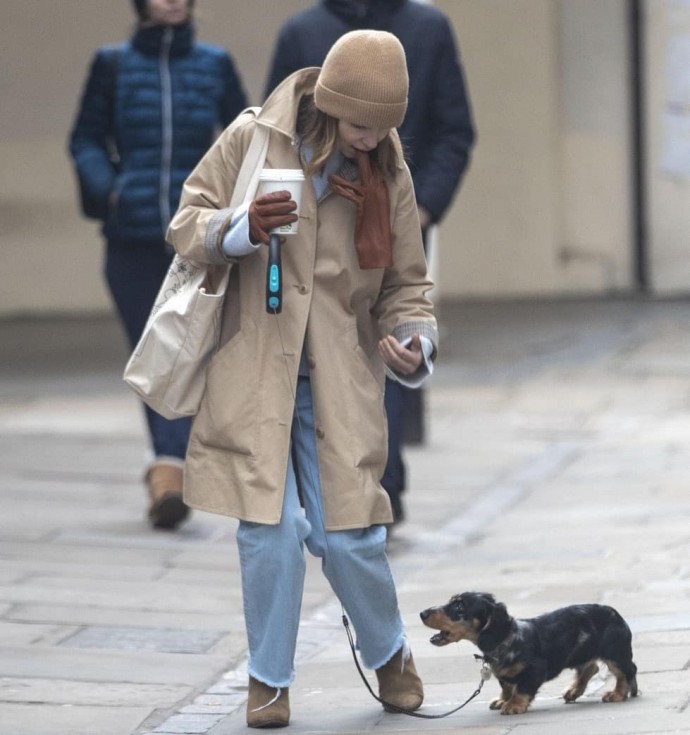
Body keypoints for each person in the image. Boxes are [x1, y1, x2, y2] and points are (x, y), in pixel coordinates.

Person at [167, 29, 438, 728]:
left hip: (339, 378)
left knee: (351, 535)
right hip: (255, 373)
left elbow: (408, 285)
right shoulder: (253, 138)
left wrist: (415, 342)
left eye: (383, 128)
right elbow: (186, 222)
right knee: (271, 531)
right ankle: (268, 679)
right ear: (329, 102)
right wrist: (242, 227)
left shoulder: (389, 170)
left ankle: (390, 652)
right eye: (358, 125)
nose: (369, 141)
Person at [265, 0, 475, 526]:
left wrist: (421, 206)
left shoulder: (428, 27)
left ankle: (380, 484)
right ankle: (324, 482)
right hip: (309, 228)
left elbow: (456, 128)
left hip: (398, 217)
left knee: (390, 339)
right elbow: (273, 130)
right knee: (316, 350)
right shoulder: (303, 30)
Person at [68, 0, 247, 530]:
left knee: (189, 351)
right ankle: (169, 469)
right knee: (153, 351)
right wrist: (110, 191)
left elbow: (245, 137)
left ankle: (168, 469)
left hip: (198, 238)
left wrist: (230, 210)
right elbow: (84, 138)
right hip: (133, 236)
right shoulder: (113, 63)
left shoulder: (215, 62)